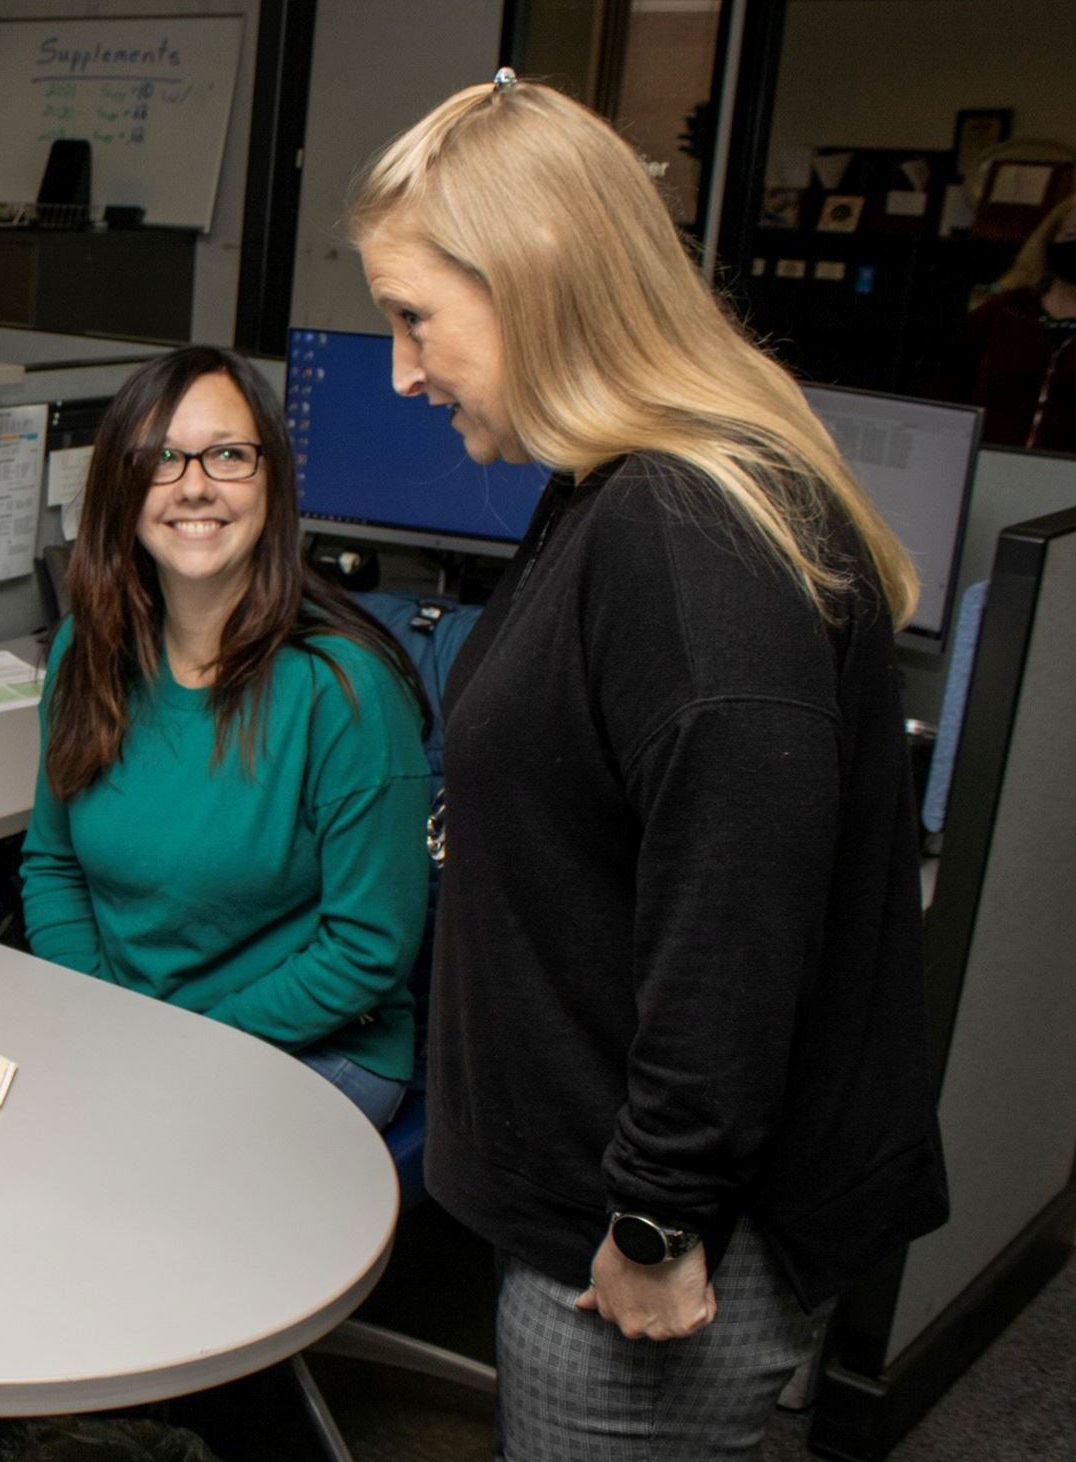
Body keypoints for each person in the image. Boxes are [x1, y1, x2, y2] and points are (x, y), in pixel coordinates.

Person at [348, 72, 948, 1459]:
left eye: (415, 318)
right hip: (596, 1206)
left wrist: (654, 1221)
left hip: (652, 1254)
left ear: (537, 284)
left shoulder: (689, 537)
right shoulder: (618, 482)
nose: (402, 369)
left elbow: (734, 937)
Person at [21, 345, 434, 1130]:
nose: (195, 486)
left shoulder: (342, 690)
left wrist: (180, 1046)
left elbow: (366, 949)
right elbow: (52, 863)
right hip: (135, 1030)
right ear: (121, 487)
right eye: (163, 459)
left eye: (229, 456)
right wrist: (108, 1019)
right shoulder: (87, 650)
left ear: (272, 482)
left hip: (312, 1046)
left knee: (131, 1179)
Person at [936, 194, 1076, 452]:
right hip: (986, 461)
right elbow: (949, 388)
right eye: (1071, 236)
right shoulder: (1004, 311)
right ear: (1050, 239)